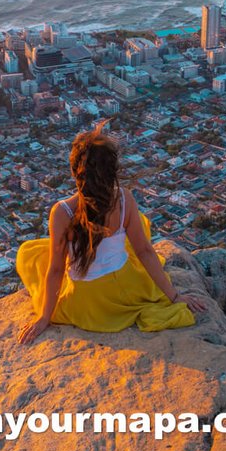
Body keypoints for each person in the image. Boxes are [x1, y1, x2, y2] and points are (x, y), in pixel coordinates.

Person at [16, 122, 208, 345]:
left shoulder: (62, 212)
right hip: (124, 292)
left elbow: (57, 269)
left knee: (29, 253)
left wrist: (45, 317)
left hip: (85, 304)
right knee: (140, 227)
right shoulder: (124, 199)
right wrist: (175, 296)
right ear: (112, 170)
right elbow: (145, 251)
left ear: (74, 171)